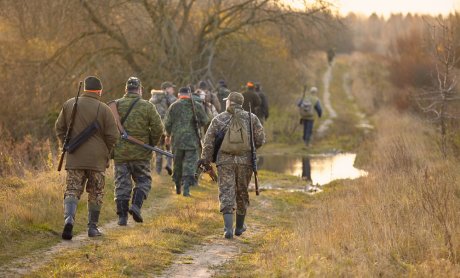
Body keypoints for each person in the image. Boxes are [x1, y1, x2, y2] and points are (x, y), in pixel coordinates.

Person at [55, 76, 119, 240]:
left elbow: (59, 128)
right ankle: (92, 228)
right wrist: (106, 151)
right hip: (97, 161)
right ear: (99, 91)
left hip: (75, 157)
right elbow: (113, 135)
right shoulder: (104, 109)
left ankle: (69, 219)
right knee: (96, 193)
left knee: (72, 190)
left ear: (85, 89)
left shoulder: (69, 104)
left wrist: (67, 143)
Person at [200, 92, 265, 239]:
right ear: (241, 104)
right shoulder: (251, 118)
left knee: (226, 191)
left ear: (229, 102)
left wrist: (206, 160)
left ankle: (228, 229)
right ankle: (240, 227)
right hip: (245, 162)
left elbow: (208, 142)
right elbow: (260, 139)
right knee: (242, 192)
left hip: (225, 161)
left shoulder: (219, 119)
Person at [112, 77, 164, 225]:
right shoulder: (147, 106)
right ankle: (135, 206)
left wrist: (112, 148)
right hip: (141, 153)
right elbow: (158, 128)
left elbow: (108, 129)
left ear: (126, 90)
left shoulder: (115, 106)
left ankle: (122, 217)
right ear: (140, 89)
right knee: (144, 181)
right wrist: (151, 143)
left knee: (122, 184)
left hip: (121, 154)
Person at [164, 87, 209, 196]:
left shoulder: (173, 106)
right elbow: (205, 120)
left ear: (179, 95)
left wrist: (168, 136)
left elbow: (167, 124)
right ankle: (186, 189)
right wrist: (197, 123)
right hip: (191, 140)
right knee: (190, 164)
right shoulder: (196, 106)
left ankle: (177, 185)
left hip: (177, 140)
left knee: (177, 163)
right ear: (189, 94)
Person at [149, 81, 177, 175]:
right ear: (166, 89)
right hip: (167, 126)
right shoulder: (169, 98)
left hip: (156, 126)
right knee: (169, 146)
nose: (173, 89)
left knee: (158, 149)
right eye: (171, 88)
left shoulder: (153, 98)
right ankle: (169, 165)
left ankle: (157, 171)